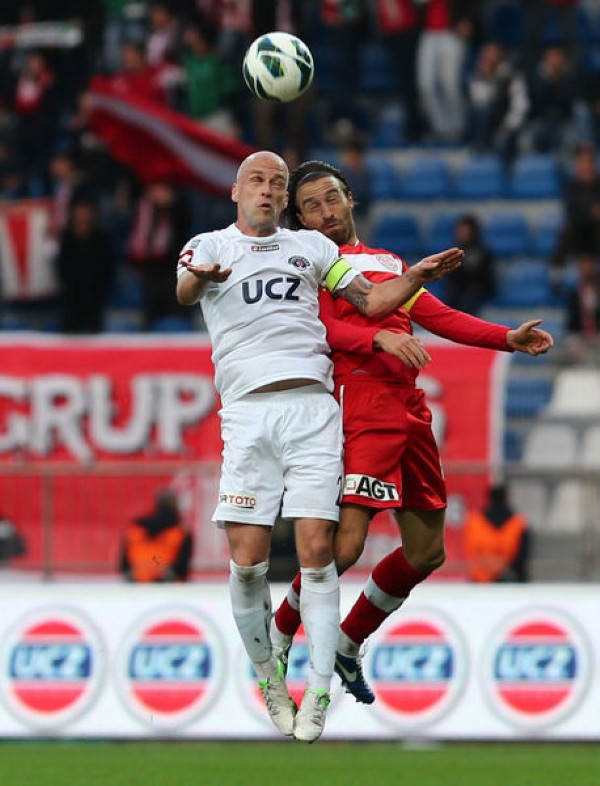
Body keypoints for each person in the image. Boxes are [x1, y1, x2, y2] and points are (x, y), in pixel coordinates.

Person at [175, 150, 463, 742]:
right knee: (248, 564)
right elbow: (183, 290)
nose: (267, 189)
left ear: (284, 200)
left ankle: (319, 691)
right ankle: (270, 676)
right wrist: (200, 278)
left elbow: (370, 303)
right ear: (236, 191)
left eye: (277, 183)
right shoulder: (208, 245)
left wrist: (414, 277)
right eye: (257, 180)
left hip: (314, 410)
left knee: (321, 551)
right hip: (247, 412)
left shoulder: (312, 250)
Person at [270, 158, 553, 705]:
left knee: (426, 552)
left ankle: (349, 641)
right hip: (360, 401)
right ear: (300, 220)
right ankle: (279, 634)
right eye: (311, 207)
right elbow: (318, 327)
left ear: (350, 199)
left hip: (408, 408)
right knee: (346, 546)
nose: (325, 212)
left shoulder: (387, 261)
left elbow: (438, 316)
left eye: (331, 198)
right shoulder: (308, 263)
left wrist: (506, 338)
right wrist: (377, 339)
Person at [120, 489, 193, 582]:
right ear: (175, 506)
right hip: (168, 581)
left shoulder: (136, 527)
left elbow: (124, 562)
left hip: (136, 580)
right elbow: (182, 566)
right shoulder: (181, 531)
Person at [464, 484, 530, 583]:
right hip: (510, 580)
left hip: (481, 580)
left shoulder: (475, 521)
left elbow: (471, 551)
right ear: (506, 498)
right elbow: (522, 558)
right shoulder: (518, 523)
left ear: (489, 498)